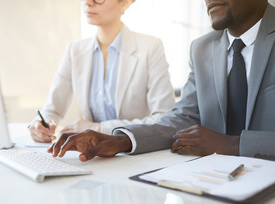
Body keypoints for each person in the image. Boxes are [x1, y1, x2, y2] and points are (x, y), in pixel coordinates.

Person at [49, 0, 275, 161]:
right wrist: (121, 140)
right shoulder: (202, 48)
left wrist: (232, 145)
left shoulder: (151, 46)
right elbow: (184, 118)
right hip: (212, 182)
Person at [28, 0, 175, 142]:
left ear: (125, 3)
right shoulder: (75, 50)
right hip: (91, 152)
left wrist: (98, 128)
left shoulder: (150, 47)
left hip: (132, 151)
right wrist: (41, 125)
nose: (88, 3)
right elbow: (52, 109)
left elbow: (164, 118)